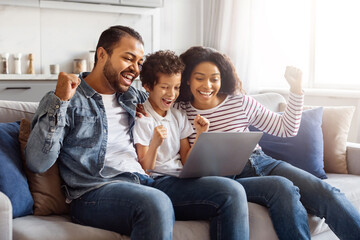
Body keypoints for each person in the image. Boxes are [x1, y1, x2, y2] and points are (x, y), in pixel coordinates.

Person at [25, 26, 248, 240]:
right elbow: (38, 162)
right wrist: (60, 101)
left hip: (145, 182)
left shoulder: (133, 96)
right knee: (155, 202)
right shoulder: (68, 98)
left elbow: (169, 93)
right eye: (128, 58)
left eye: (139, 62)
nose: (135, 68)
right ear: (102, 55)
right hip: (94, 192)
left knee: (231, 192)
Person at [175, 46, 360, 240]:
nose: (208, 85)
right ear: (187, 78)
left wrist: (296, 90)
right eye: (200, 78)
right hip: (224, 178)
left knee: (327, 193)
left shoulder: (240, 102)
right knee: (283, 188)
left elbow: (286, 129)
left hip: (261, 162)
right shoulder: (179, 111)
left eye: (214, 78)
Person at [133, 50, 210, 174]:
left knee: (224, 182)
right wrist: (154, 144)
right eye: (164, 87)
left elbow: (186, 161)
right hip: (161, 179)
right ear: (147, 86)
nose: (172, 94)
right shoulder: (142, 117)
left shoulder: (179, 116)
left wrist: (200, 135)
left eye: (176, 87)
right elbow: (146, 170)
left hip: (181, 177)